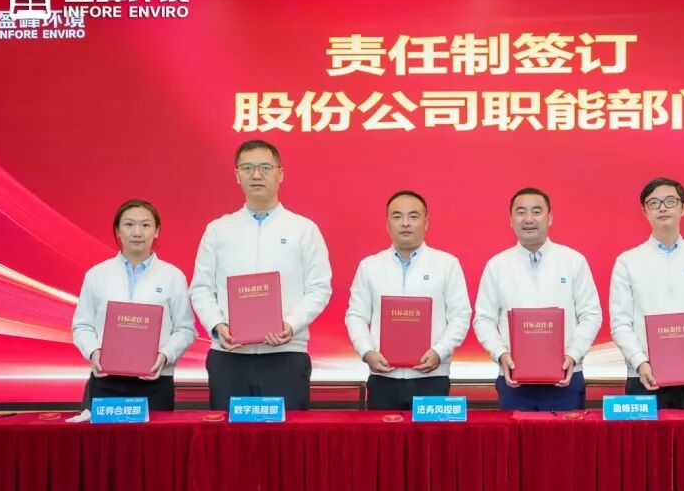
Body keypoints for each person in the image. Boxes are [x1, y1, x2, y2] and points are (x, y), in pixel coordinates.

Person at [189, 139, 332, 410]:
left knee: (286, 434)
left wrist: (291, 324)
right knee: (228, 434)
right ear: (237, 175)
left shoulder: (304, 229)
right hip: (229, 356)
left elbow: (319, 288)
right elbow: (201, 288)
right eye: (247, 168)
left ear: (280, 174)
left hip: (286, 355)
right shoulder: (218, 229)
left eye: (265, 167)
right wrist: (217, 326)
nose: (256, 175)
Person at [473, 187, 602, 411]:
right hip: (514, 382)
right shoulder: (497, 265)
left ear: (549, 217)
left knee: (567, 435)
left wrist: (573, 354)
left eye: (536, 211)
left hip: (566, 379)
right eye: (521, 212)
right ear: (511, 220)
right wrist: (501, 354)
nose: (529, 219)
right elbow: (483, 319)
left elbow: (591, 315)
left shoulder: (573, 261)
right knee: (515, 436)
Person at [345, 190, 472, 410]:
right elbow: (355, 315)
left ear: (426, 223)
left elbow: (460, 315)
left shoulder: (446, 264)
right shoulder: (370, 266)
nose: (405, 223)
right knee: (383, 434)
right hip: (383, 378)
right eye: (397, 216)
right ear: (387, 224)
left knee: (431, 434)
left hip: (432, 377)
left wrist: (440, 352)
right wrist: (367, 352)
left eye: (413, 216)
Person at [609, 177, 684, 409]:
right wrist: (640, 362)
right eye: (654, 203)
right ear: (644, 212)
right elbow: (620, 322)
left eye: (670, 201)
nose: (662, 208)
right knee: (644, 435)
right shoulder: (627, 261)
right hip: (644, 376)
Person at [72, 199, 196, 410]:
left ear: (156, 231)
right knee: (105, 433)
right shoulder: (97, 274)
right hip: (106, 380)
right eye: (129, 224)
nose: (137, 232)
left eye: (145, 225)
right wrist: (94, 351)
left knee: (154, 433)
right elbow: (82, 326)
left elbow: (185, 329)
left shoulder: (173, 276)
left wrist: (165, 356)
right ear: (117, 231)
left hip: (155, 380)